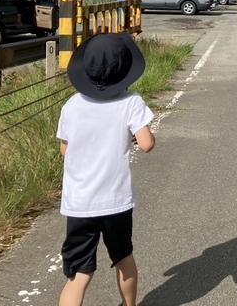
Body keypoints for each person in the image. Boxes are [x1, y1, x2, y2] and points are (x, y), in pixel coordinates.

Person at [57, 33, 155, 306]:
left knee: (79, 272)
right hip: (115, 201)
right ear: (125, 71)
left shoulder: (71, 105)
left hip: (79, 203)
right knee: (123, 257)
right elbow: (146, 144)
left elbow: (65, 150)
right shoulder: (130, 101)